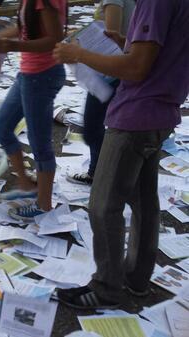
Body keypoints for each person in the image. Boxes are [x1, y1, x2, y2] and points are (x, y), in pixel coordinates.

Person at [53, 0, 189, 309]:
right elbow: (153, 54)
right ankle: (138, 279)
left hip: (136, 115)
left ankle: (107, 289)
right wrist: (122, 43)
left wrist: (79, 54)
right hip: (162, 111)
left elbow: (137, 68)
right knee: (143, 201)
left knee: (103, 206)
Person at [0, 0, 68, 221]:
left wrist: (14, 46)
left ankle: (44, 205)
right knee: (2, 128)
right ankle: (27, 184)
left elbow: (54, 40)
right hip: (27, 75)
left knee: (39, 143)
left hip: (42, 76)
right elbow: (27, 27)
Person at [67, 0, 135, 185]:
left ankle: (104, 172)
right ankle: (102, 170)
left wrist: (79, 50)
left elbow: (110, 36)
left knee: (92, 127)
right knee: (110, 124)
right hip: (119, 68)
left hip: (109, 72)